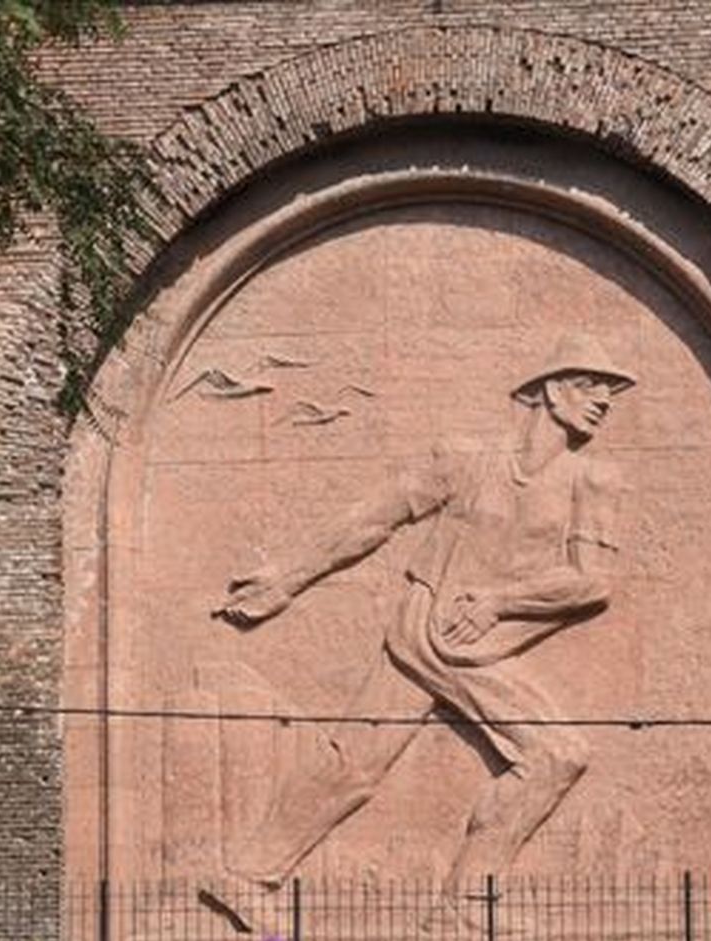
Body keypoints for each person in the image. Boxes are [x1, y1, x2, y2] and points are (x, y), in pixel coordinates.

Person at [214, 333, 636, 888]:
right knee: (556, 753)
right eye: (590, 385)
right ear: (553, 390)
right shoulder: (464, 461)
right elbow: (373, 520)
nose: (604, 399)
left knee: (358, 762)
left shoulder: (592, 481)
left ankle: (246, 874)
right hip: (425, 625)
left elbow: (592, 582)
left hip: (479, 639)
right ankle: (468, 900)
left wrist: (500, 602)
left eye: (611, 391)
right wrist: (287, 580)